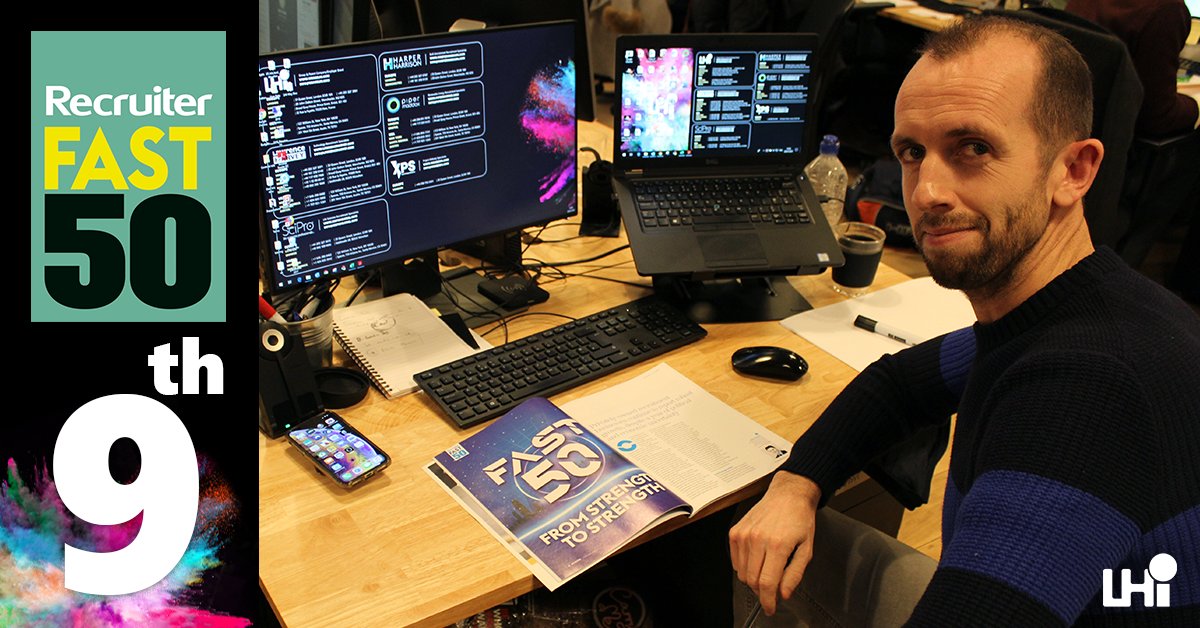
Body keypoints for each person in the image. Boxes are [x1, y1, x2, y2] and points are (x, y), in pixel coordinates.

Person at [729, 14, 1200, 626]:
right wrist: (797, 483)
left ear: (1074, 170)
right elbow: (898, 385)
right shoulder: (1069, 310)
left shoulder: (1088, 391)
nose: (926, 192)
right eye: (912, 152)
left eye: (973, 148)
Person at [1066, 0, 1200, 138]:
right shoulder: (1166, 9)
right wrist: (1196, 105)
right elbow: (1158, 117)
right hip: (1120, 138)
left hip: (1069, 124)